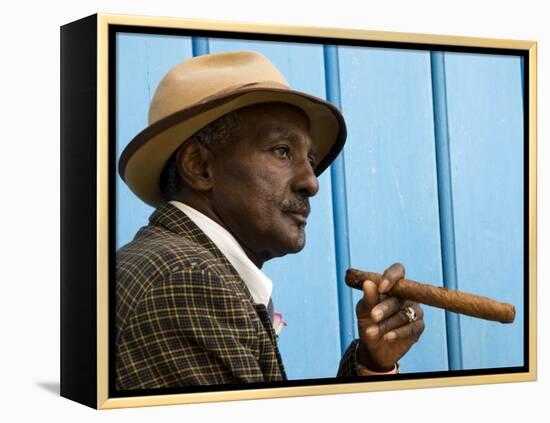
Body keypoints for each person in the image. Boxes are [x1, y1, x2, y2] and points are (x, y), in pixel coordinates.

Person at [116, 50, 425, 390]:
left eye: (309, 158)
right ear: (199, 166)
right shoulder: (186, 281)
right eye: (282, 151)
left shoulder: (181, 266)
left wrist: (373, 365)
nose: (312, 182)